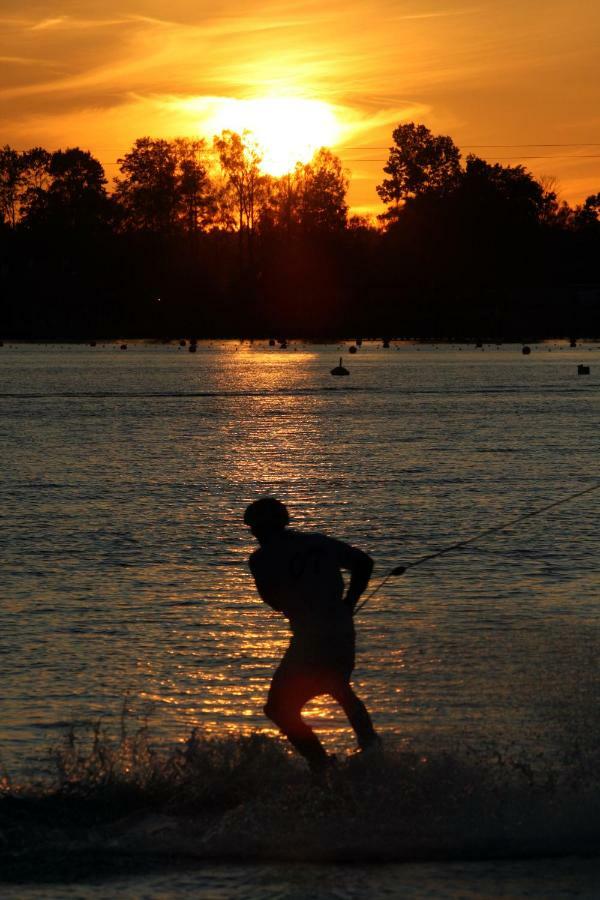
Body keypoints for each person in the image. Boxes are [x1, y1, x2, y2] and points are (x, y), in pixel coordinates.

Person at [244, 496, 381, 772]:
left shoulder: (260, 559)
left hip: (309, 637)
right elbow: (364, 563)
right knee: (338, 687)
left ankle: (321, 765)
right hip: (341, 629)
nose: (253, 533)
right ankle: (372, 751)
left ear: (261, 528)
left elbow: (274, 602)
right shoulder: (318, 542)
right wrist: (348, 603)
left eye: (254, 528)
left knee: (278, 709)